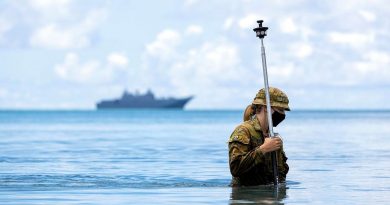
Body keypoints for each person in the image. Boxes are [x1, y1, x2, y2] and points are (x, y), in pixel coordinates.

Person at [228, 87, 290, 186]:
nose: (283, 114)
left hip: (270, 196)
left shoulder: (273, 137)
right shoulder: (243, 131)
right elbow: (235, 168)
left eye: (284, 110)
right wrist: (263, 149)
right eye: (280, 109)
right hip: (246, 197)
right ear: (266, 108)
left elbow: (281, 175)